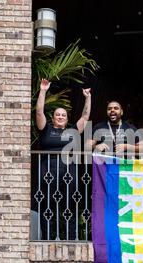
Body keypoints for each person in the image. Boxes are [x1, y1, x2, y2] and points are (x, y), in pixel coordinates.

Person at [34, 78, 91, 240]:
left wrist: (88, 98)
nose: (60, 116)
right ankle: (48, 238)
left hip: (69, 174)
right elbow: (39, 112)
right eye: (57, 114)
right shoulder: (46, 129)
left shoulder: (73, 130)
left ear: (67, 119)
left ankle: (71, 238)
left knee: (69, 206)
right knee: (48, 207)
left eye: (63, 115)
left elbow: (85, 117)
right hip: (48, 173)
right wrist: (43, 91)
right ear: (53, 118)